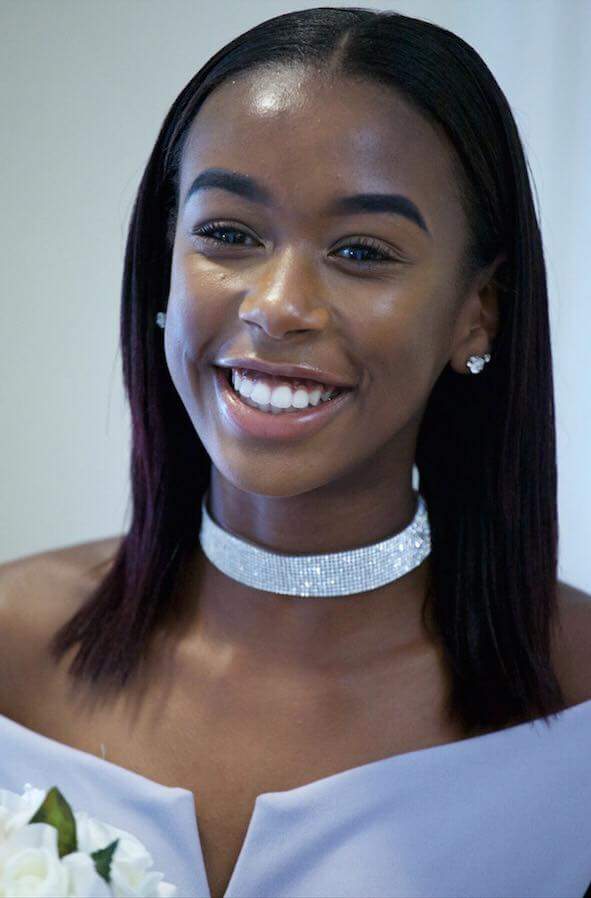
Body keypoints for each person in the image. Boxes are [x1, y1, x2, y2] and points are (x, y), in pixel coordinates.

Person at [1, 6, 590, 897]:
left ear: (477, 312)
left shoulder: (576, 700)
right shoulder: (10, 642)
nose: (277, 307)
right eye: (229, 234)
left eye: (361, 250)